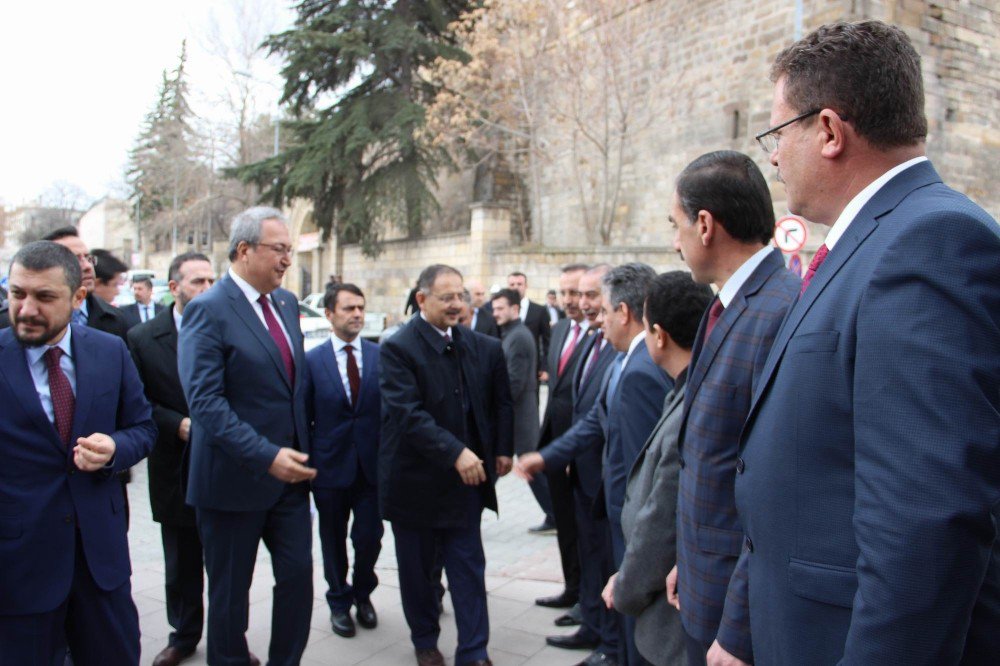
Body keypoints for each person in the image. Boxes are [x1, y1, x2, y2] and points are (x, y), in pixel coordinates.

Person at [737, 20, 1000, 665]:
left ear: (828, 131)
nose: (772, 157)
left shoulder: (929, 242)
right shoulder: (870, 242)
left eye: (777, 134)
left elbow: (924, 523)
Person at [664, 150, 801, 666]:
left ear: (704, 225)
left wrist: (739, 629)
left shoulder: (780, 311)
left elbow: (774, 490)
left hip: (738, 617)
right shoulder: (726, 306)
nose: (673, 241)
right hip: (706, 583)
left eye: (674, 224)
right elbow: (710, 458)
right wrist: (688, 557)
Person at [0, 241, 156, 665]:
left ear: (77, 297)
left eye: (44, 297)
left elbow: (143, 428)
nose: (27, 309)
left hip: (99, 561)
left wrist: (114, 449)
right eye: (17, 294)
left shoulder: (110, 351)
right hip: (19, 566)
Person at [178, 206, 315, 666]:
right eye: (279, 250)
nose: (287, 260)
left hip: (290, 484)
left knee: (298, 581)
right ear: (243, 250)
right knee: (230, 600)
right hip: (231, 483)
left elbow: (292, 387)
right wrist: (265, 455)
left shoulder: (287, 303)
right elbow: (206, 404)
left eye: (289, 251)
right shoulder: (207, 311)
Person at [519, 263, 672, 666]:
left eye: (602, 309)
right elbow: (594, 421)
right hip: (611, 504)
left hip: (633, 516)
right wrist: (547, 457)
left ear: (623, 312)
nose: (596, 319)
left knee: (632, 604)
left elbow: (648, 464)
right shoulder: (624, 361)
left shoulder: (641, 370)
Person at [379, 264, 514, 666]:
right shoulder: (398, 348)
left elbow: (501, 402)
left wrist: (504, 448)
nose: (458, 305)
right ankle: (425, 640)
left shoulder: (483, 346)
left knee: (468, 570)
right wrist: (455, 451)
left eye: (462, 296)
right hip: (414, 485)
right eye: (447, 297)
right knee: (419, 575)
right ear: (422, 300)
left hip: (465, 486)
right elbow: (407, 414)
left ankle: (474, 651)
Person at [601, 271, 714, 666]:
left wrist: (628, 585)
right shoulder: (686, 389)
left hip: (667, 610)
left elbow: (660, 511)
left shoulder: (689, 406)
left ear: (660, 335)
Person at [127, 252, 216, 666]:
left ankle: (228, 634)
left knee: (224, 559)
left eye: (211, 281)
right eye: (197, 282)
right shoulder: (143, 338)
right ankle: (183, 636)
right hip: (174, 461)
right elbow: (136, 400)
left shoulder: (227, 331)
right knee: (181, 559)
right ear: (174, 287)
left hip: (222, 461)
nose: (206, 289)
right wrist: (176, 423)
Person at [304, 283, 383, 639]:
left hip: (372, 468)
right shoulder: (312, 360)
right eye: (349, 308)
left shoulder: (380, 356)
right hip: (329, 467)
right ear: (329, 314)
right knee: (332, 538)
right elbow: (303, 417)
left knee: (370, 537)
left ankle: (363, 593)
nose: (357, 315)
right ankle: (339, 602)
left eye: (361, 308)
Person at [533, 264, 591, 611]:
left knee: (586, 529)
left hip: (582, 450)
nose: (571, 301)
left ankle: (588, 599)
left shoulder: (601, 336)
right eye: (566, 293)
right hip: (554, 446)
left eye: (577, 293)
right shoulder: (559, 330)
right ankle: (571, 589)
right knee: (565, 525)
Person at [506, 271, 550, 375]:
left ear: (526, 286)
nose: (516, 287)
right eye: (512, 284)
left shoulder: (539, 310)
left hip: (533, 368)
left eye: (519, 284)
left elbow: (547, 340)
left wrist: (545, 367)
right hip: (507, 365)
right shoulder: (502, 311)